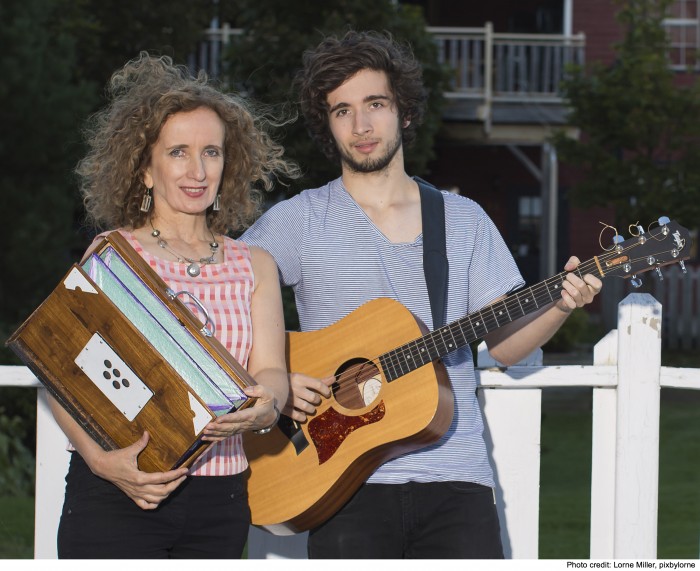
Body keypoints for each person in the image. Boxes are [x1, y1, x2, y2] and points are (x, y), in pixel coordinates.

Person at [241, 31, 603, 559]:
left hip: (456, 479)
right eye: (342, 111)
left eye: (375, 105)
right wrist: (273, 377)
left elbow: (502, 347)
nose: (361, 126)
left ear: (404, 112)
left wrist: (562, 304)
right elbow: (219, 302)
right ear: (327, 125)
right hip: (341, 482)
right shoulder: (299, 220)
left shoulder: (463, 220)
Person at [49, 52, 298, 559]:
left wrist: (264, 409)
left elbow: (271, 371)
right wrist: (103, 463)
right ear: (145, 169)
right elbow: (60, 374)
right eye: (178, 152)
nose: (197, 170)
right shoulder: (113, 254)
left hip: (221, 499)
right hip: (119, 490)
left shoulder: (256, 264)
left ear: (229, 164)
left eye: (211, 152)